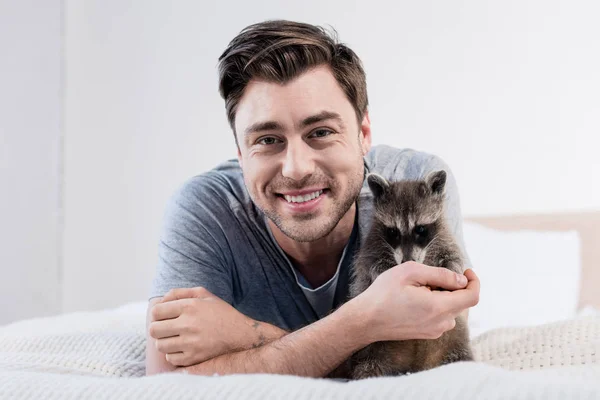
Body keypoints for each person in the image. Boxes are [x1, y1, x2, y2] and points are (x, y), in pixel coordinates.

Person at [145, 19, 480, 378]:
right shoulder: (203, 210)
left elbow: (426, 347)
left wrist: (245, 333)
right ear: (241, 154)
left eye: (320, 132)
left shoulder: (415, 187)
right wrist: (368, 326)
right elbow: (166, 383)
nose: (296, 169)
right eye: (268, 139)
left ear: (363, 134)